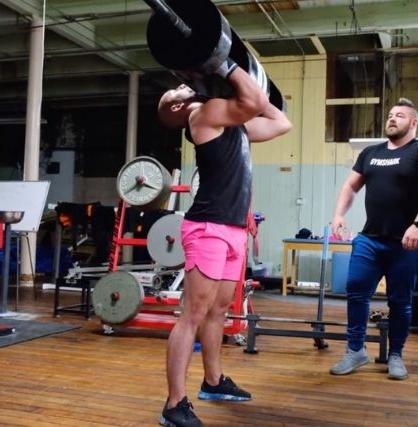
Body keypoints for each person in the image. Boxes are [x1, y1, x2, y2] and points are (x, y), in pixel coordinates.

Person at [157, 59, 292, 427]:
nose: (184, 87)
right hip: (208, 228)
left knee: (219, 311)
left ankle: (213, 382)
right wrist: (226, 64)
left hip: (233, 228)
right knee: (193, 315)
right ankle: (174, 404)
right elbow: (252, 100)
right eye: (177, 91)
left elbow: (282, 122)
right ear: (177, 107)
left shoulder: (237, 127)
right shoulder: (204, 114)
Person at [329, 98, 418, 380]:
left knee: (400, 300)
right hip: (370, 238)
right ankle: (356, 350)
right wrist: (339, 214)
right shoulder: (370, 153)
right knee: (356, 290)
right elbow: (350, 186)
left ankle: (395, 355)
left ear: (413, 122)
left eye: (400, 115)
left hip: (406, 241)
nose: (392, 119)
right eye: (391, 115)